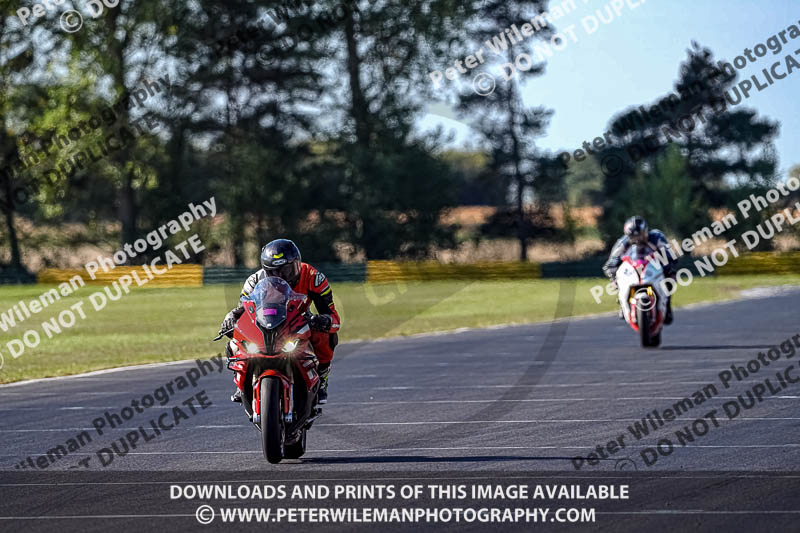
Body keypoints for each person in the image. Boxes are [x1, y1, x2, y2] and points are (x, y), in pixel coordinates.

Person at [218, 239, 340, 404]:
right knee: (235, 339)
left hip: (299, 320)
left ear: (298, 263)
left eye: (288, 270)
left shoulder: (313, 278)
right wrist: (229, 318)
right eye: (275, 272)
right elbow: (242, 311)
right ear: (266, 270)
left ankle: (322, 377)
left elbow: (333, 318)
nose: (282, 276)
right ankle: (241, 382)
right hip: (266, 322)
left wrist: (323, 321)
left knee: (326, 335)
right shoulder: (254, 281)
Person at [602, 216, 676, 324]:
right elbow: (610, 263)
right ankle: (623, 304)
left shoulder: (657, 238)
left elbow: (670, 257)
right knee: (617, 282)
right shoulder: (622, 243)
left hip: (653, 268)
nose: (637, 239)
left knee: (670, 279)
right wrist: (615, 276)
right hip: (631, 270)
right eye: (633, 236)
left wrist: (668, 269)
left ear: (646, 231)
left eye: (640, 235)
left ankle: (667, 306)